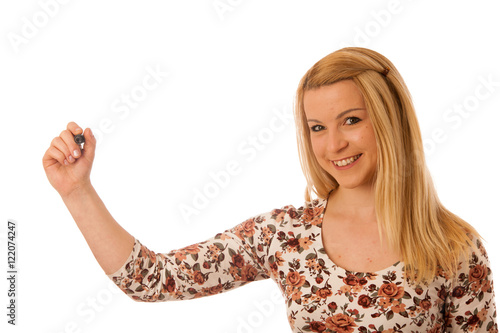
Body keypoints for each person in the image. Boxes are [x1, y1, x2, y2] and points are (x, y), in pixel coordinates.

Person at [42, 47, 497, 332]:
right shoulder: (284, 235)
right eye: (317, 127)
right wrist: (77, 192)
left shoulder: (453, 248)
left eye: (351, 120)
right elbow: (153, 280)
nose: (333, 144)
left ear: (390, 119)